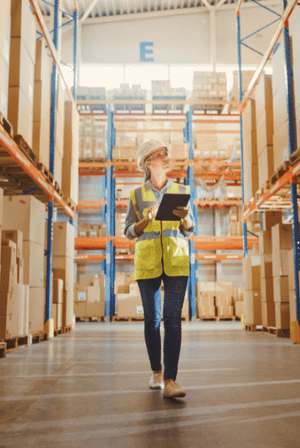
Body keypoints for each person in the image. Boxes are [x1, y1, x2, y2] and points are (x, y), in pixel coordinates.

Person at [124, 139, 194, 399]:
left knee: (173, 319)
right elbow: (128, 231)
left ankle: (171, 380)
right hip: (148, 262)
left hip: (176, 261)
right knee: (153, 320)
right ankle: (156, 371)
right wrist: (145, 220)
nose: (165, 157)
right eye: (159, 154)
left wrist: (186, 217)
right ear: (147, 163)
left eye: (166, 153)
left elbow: (190, 227)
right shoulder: (136, 195)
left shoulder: (181, 189)